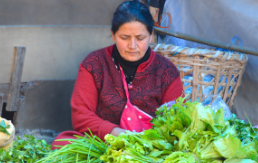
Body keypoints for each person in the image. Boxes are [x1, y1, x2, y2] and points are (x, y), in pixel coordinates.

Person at [51, 0, 183, 149]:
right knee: (62, 142)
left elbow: (177, 121)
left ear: (151, 36)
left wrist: (147, 142)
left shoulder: (167, 72)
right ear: (113, 35)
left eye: (140, 38)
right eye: (124, 37)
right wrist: (118, 134)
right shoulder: (94, 64)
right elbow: (81, 116)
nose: (132, 46)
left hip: (150, 148)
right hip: (103, 143)